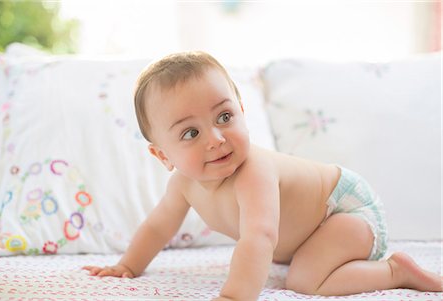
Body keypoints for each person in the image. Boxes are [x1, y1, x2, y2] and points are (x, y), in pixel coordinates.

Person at [83, 51, 443, 300]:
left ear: (241, 111)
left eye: (224, 117)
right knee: (300, 267)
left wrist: (235, 295)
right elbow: (158, 227)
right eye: (191, 133)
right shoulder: (183, 186)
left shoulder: (254, 171)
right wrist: (127, 265)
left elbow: (259, 238)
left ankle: (397, 271)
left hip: (347, 211)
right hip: (313, 232)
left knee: (305, 280)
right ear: (163, 155)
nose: (217, 139)